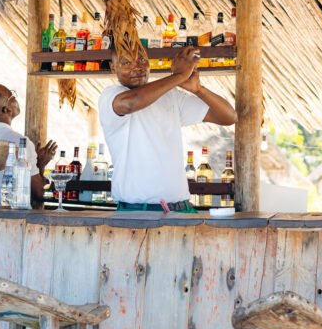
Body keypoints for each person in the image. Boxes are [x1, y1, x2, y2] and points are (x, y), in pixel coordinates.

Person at [99, 46, 237, 211]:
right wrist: (178, 76)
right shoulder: (111, 95)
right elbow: (130, 103)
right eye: (127, 62)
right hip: (138, 212)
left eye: (142, 60)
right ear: (113, 67)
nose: (137, 67)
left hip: (181, 209)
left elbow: (228, 117)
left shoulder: (170, 96)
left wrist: (199, 90)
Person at [0, 84, 57, 208]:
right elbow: (39, 194)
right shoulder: (21, 143)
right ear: (6, 109)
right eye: (12, 97)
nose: (16, 99)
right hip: (8, 220)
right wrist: (40, 164)